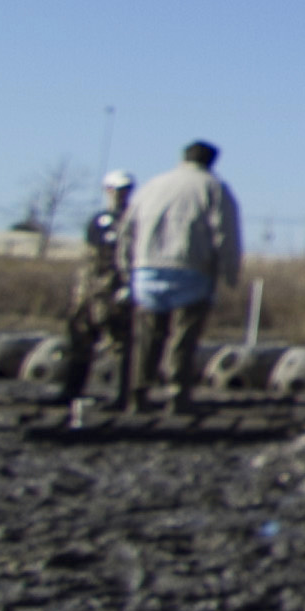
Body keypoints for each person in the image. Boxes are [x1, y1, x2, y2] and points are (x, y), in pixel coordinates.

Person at [124, 141, 244, 412]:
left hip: (146, 270)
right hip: (191, 270)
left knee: (146, 337)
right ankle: (177, 394)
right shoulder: (213, 188)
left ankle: (138, 392)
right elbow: (226, 233)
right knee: (182, 338)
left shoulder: (152, 186)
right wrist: (230, 273)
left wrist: (126, 267)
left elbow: (127, 229)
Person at [52, 169, 138, 411]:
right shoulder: (96, 220)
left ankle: (123, 395)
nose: (119, 195)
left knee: (119, 342)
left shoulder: (134, 221)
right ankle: (71, 390)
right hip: (89, 290)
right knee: (79, 337)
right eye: (115, 190)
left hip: (115, 290)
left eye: (124, 191)